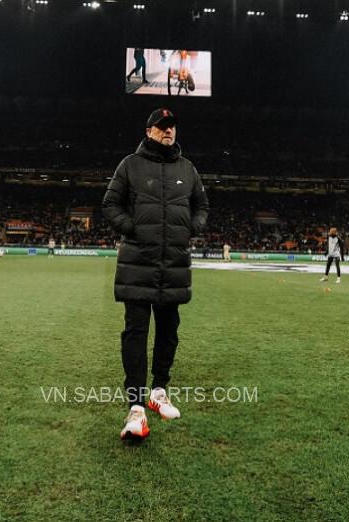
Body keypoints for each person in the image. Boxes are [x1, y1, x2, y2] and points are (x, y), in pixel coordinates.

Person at [102, 108, 209, 441]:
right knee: (135, 332)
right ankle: (136, 407)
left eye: (172, 127)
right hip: (138, 262)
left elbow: (202, 206)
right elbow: (110, 204)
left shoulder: (187, 168)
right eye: (162, 127)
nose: (168, 131)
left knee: (168, 330)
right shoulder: (130, 165)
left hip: (173, 263)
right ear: (148, 131)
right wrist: (134, 229)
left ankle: (159, 392)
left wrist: (190, 229)